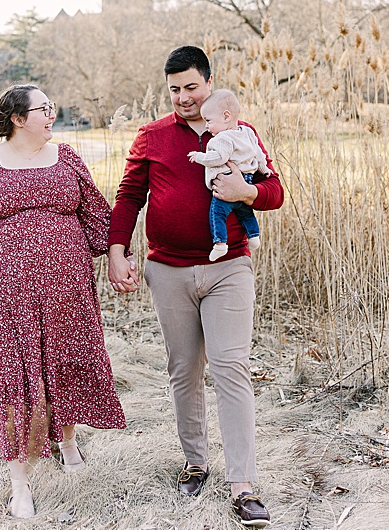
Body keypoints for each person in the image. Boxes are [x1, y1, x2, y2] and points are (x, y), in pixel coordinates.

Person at [107, 46, 282, 528]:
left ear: (209, 83)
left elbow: (275, 190)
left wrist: (245, 192)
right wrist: (116, 249)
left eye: (191, 87)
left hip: (229, 268)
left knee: (231, 367)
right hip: (167, 270)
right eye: (174, 90)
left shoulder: (239, 132)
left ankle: (243, 486)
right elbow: (128, 197)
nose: (184, 98)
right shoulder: (153, 136)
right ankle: (195, 462)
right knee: (184, 370)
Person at [0, 84, 125, 519]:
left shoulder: (68, 159)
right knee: (10, 379)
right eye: (45, 109)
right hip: (0, 295)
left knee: (66, 363)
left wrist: (118, 257)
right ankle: (20, 481)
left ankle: (68, 440)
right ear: (18, 119)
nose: (52, 115)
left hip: (66, 291)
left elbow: (97, 214)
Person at [186, 88, 271, 261]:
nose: (207, 126)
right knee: (245, 212)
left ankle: (220, 243)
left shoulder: (222, 138)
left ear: (226, 117)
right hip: (246, 180)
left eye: (208, 121)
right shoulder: (247, 132)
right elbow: (258, 154)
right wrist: (264, 168)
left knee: (217, 213)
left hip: (226, 183)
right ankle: (254, 236)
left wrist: (200, 156)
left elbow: (219, 158)